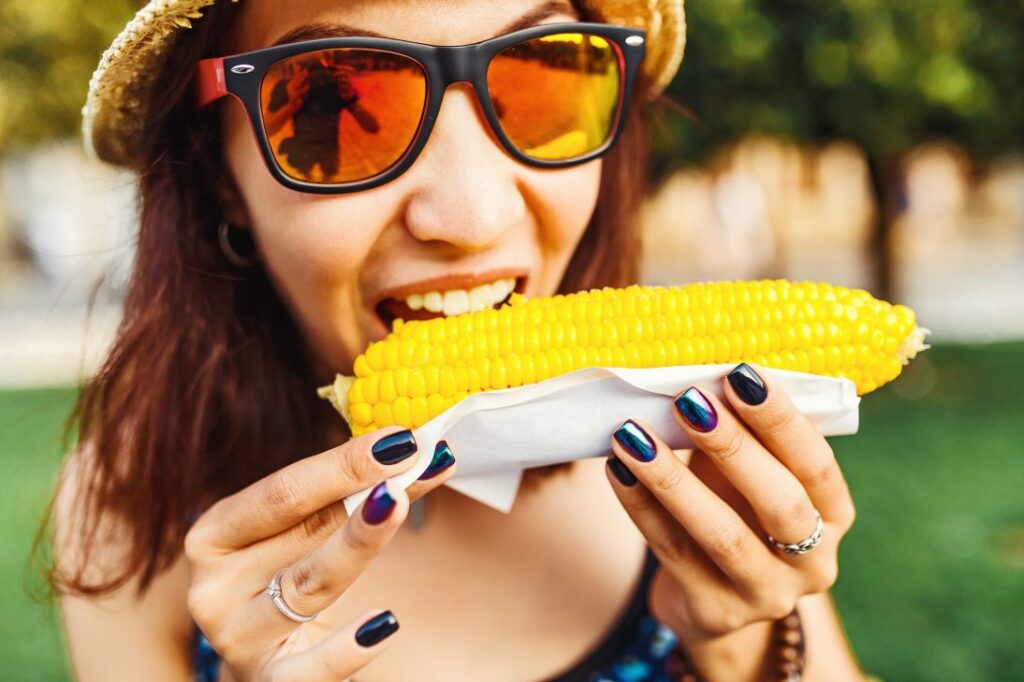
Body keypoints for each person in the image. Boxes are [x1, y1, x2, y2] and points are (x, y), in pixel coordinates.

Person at [40, 0, 870, 680]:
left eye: (544, 78)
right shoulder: (128, 503)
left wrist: (747, 649)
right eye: (332, 107)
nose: (475, 219)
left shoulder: (694, 432)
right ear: (220, 176)